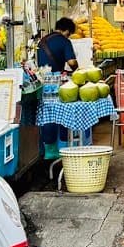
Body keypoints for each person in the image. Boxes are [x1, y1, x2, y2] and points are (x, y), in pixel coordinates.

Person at [37, 17, 79, 159]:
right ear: (67, 30)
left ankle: (49, 150)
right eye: (69, 33)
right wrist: (76, 68)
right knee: (62, 114)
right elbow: (72, 62)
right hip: (56, 82)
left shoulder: (43, 40)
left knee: (48, 115)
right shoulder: (64, 41)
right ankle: (64, 148)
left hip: (43, 81)